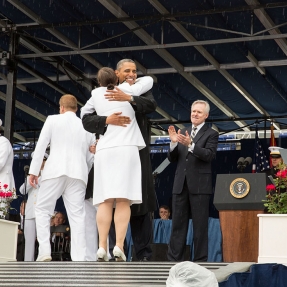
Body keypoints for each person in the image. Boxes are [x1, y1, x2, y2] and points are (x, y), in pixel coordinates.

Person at [82, 59, 157, 261]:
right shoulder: (133, 88)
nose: (132, 74)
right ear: (117, 74)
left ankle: (107, 248)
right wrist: (106, 120)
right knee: (123, 200)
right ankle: (119, 247)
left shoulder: (98, 93)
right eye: (127, 71)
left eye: (134, 71)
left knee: (110, 202)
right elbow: (87, 119)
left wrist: (129, 98)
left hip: (112, 151)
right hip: (127, 149)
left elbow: (151, 105)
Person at [29, 94, 94, 262]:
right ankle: (79, 257)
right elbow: (90, 156)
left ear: (61, 108)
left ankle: (44, 252)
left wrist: (34, 171)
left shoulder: (52, 120)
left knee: (43, 209)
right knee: (77, 216)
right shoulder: (86, 125)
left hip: (54, 171)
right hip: (78, 174)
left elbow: (41, 145)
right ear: (76, 109)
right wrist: (83, 171)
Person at [167, 100, 219, 262]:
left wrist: (191, 145)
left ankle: (200, 261)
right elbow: (172, 158)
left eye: (198, 112)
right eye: (193, 111)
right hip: (180, 185)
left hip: (199, 186)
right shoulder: (183, 131)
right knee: (177, 226)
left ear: (206, 115)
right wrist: (173, 143)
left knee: (200, 227)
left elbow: (209, 155)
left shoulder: (211, 133)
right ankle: (174, 261)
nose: (195, 114)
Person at [19, 152, 48, 261]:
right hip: (30, 212)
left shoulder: (48, 175)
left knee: (42, 239)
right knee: (29, 241)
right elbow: (22, 190)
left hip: (43, 210)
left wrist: (40, 175)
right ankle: (28, 263)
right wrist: (30, 178)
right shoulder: (31, 175)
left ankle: (42, 261)